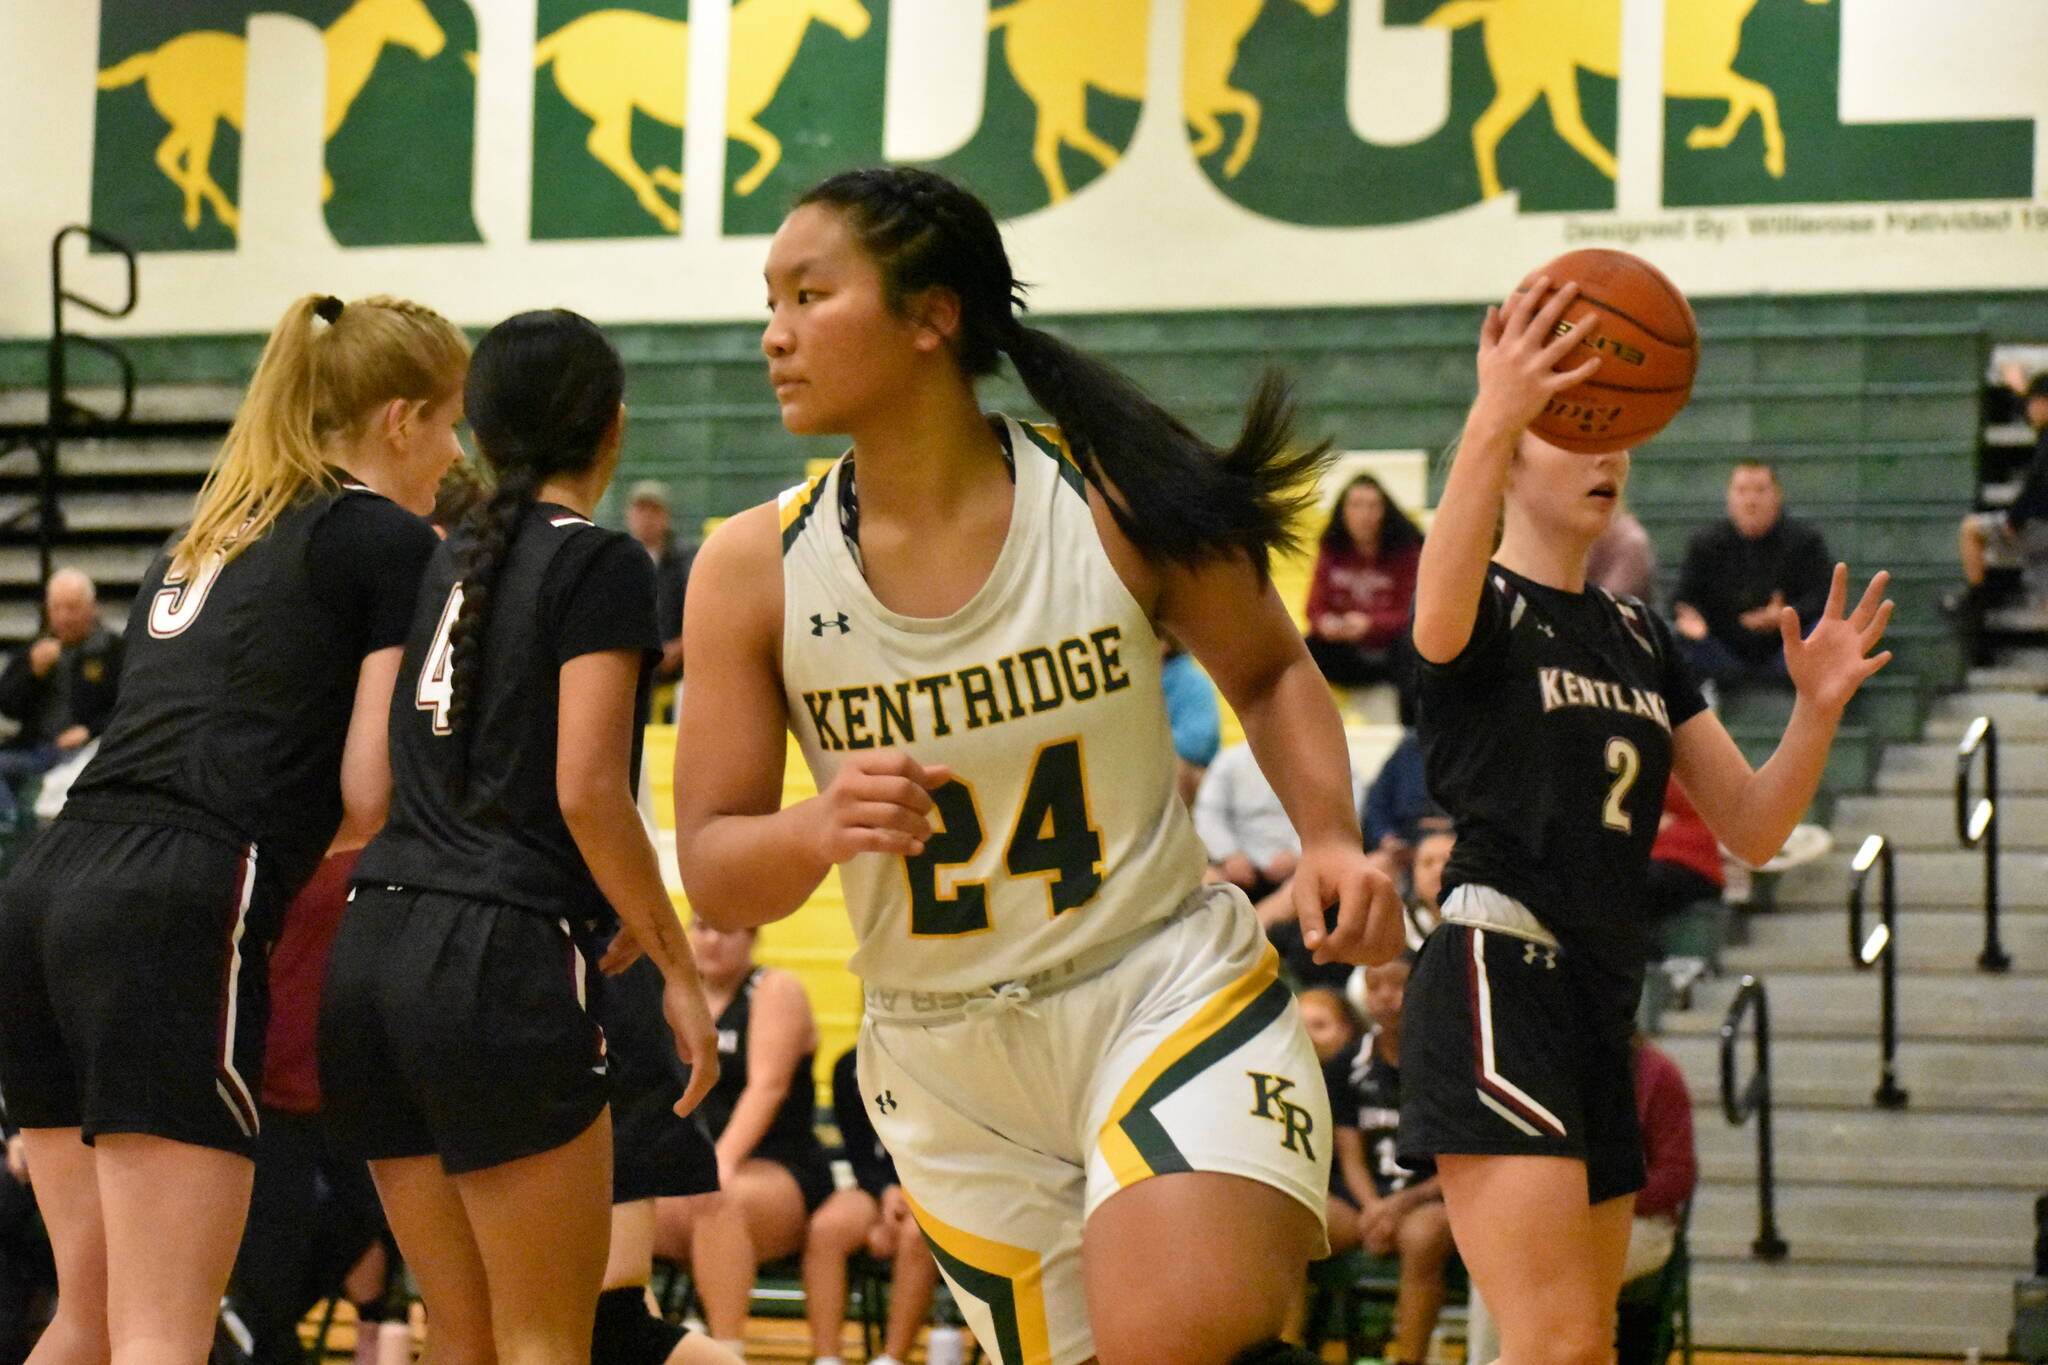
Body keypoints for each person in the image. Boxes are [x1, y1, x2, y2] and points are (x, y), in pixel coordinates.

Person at [671, 165, 1404, 1365]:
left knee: (1165, 1334)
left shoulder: (1106, 497)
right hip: (947, 1064)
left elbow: (1270, 671)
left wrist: (1326, 835)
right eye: (769, 299)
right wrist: (818, 828)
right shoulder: (750, 569)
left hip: (1157, 990)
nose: (773, 333)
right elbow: (716, 871)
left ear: (929, 316)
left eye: (809, 295)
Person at [1403, 276, 1892, 1365]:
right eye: (1574, 432)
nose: (1603, 454)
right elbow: (1434, 599)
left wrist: (1813, 712)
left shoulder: (1634, 632)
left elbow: (1754, 829)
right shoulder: (1474, 605)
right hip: (1497, 973)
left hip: (1596, 1001)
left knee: (1588, 1345)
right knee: (1554, 1342)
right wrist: (1492, 408)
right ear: (1508, 457)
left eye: (1616, 434)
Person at [0, 292, 467, 1365]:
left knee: (90, 1315)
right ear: (398, 420)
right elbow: (366, 787)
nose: (455, 450)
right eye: (449, 418)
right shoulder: (388, 541)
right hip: (174, 898)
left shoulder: (202, 531)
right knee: (165, 1334)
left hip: (44, 883)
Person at [318, 309, 719, 1365]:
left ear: (482, 431)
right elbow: (588, 788)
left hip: (370, 952)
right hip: (492, 956)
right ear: (612, 427)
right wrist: (674, 962)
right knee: (548, 1339)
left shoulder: (446, 561)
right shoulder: (602, 562)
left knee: (466, 1334)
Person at [652, 920, 832, 1359]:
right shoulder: (672, 994)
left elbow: (767, 1087)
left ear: (752, 936)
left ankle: (727, 1351)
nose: (712, 939)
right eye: (701, 926)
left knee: (716, 1196)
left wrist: (720, 1162)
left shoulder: (774, 989)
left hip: (778, 1168)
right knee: (616, 1202)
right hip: (693, 1171)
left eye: (726, 929)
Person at [1329, 954, 1452, 1365]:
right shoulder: (1347, 1064)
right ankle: (1291, 1345)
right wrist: (1373, 1208)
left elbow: (1458, 1163)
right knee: (1295, 1223)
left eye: (1397, 984)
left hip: (1430, 1199)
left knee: (1422, 1237)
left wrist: (1398, 1206)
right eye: (1375, 985)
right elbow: (1350, 1157)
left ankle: (1408, 1359)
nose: (1385, 996)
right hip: (1366, 1200)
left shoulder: (1451, 1064)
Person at [802, 1047, 942, 1365]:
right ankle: (827, 1358)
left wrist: (911, 1194)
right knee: (827, 1228)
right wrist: (884, 1193)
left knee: (915, 1235)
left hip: (938, 1186)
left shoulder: (947, 1061)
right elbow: (859, 1151)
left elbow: (954, 1147)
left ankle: (892, 1358)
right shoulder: (851, 1065)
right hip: (878, 1186)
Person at [1670, 461, 1834, 691]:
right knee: (1677, 640)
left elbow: (1823, 598)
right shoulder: (1706, 544)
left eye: (1760, 490)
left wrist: (1786, 616)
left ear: (1777, 496)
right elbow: (1681, 600)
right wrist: (1690, 619)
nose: (1751, 501)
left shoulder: (1805, 541)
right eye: (1742, 491)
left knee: (1825, 633)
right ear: (1729, 498)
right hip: (1722, 649)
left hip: (1786, 649)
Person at [0, 570, 123, 828]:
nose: (64, 617)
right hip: (35, 748)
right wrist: (32, 674)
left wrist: (90, 730)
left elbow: (128, 707)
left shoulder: (113, 651)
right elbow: (8, 706)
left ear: (91, 608)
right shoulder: (37, 649)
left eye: (72, 608)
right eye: (57, 608)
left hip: (87, 752)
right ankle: (9, 830)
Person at [1956, 371, 2048, 660]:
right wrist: (2019, 385)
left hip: (2038, 525)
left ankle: (1977, 599)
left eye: (2034, 403)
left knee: (1971, 528)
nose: (2028, 410)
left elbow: (2040, 484)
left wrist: (2014, 519)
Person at [1304, 474, 1423, 696]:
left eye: (1373, 506)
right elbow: (1314, 608)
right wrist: (1328, 625)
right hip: (1347, 652)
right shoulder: (1331, 547)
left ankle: (1411, 725)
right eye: (1356, 506)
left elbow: (1413, 611)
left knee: (1412, 646)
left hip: (1394, 652)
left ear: (1385, 511)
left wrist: (1371, 624)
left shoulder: (1407, 550)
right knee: (1306, 649)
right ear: (1343, 511)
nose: (1364, 515)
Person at [625, 480, 696, 688]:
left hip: (679, 670)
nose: (646, 518)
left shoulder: (687, 559)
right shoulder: (615, 561)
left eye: (654, 510)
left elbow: (705, 610)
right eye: (640, 509)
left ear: (666, 516)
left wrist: (681, 646)